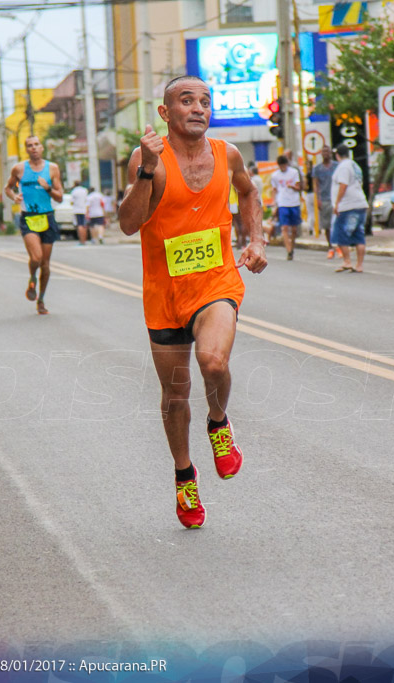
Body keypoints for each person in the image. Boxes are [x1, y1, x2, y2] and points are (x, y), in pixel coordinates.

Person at [118, 75, 266, 529]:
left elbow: (249, 192)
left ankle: (219, 422)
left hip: (215, 282)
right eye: (187, 101)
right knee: (175, 394)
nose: (199, 108)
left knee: (213, 362)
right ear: (166, 114)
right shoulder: (149, 160)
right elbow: (128, 223)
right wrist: (146, 168)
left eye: (205, 101)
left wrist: (255, 239)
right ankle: (185, 475)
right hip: (164, 295)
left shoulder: (229, 154)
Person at [4, 134, 64, 316]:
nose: (34, 148)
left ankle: (41, 299)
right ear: (26, 149)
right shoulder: (19, 169)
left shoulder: (52, 168)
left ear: (42, 147)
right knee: (36, 258)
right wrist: (14, 197)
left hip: (47, 216)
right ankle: (32, 277)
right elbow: (8, 188)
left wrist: (47, 188)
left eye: (37, 144)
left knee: (45, 264)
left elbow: (60, 197)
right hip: (29, 217)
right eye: (30, 145)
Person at [330, 144, 368, 273]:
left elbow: (343, 185)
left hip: (348, 205)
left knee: (341, 234)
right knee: (359, 235)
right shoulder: (354, 165)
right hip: (360, 203)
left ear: (337, 155)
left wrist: (337, 203)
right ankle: (359, 265)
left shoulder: (344, 167)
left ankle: (347, 261)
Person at [270, 154, 303, 260]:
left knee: (294, 229)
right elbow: (274, 190)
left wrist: (292, 186)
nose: (282, 168)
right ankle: (288, 250)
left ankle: (292, 247)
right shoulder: (275, 175)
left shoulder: (293, 172)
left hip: (294, 202)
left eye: (284, 166)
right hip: (282, 203)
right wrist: (274, 204)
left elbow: (299, 187)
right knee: (284, 227)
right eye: (281, 166)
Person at [310, 146, 338, 259]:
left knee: (337, 224)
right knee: (327, 225)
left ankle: (339, 246)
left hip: (336, 198)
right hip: (325, 199)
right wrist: (318, 199)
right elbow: (315, 185)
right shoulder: (317, 169)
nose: (326, 153)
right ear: (321, 154)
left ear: (331, 153)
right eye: (324, 151)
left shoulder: (337, 166)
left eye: (328, 151)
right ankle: (330, 247)